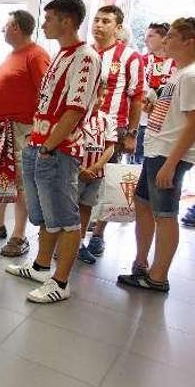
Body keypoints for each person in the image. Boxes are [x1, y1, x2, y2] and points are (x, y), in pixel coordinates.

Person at [5, 0, 101, 304]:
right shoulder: (61, 54)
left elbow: (74, 109)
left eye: (49, 19)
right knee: (45, 214)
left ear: (68, 21)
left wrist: (49, 145)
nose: (43, 24)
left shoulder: (86, 57)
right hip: (39, 144)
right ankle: (41, 266)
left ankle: (60, 283)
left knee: (66, 217)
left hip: (57, 150)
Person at [118, 17, 195, 292]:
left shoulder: (190, 75)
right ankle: (143, 263)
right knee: (143, 203)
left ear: (189, 41)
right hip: (156, 150)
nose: (165, 40)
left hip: (168, 155)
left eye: (172, 36)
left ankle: (158, 276)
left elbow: (193, 125)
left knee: (165, 213)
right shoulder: (180, 73)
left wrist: (171, 164)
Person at [0, 10, 50, 258]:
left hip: (21, 130)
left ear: (16, 28)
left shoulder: (36, 55)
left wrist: (36, 130)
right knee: (2, 178)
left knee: (20, 183)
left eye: (5, 25)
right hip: (2, 129)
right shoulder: (14, 54)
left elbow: (45, 94)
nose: (2, 30)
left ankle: (19, 235)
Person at [83, 6, 144, 260]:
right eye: (96, 20)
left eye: (105, 21)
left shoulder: (130, 57)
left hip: (114, 130)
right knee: (79, 183)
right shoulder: (84, 53)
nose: (99, 25)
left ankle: (97, 234)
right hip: (83, 127)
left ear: (118, 28)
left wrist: (131, 134)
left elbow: (137, 97)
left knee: (104, 184)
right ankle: (72, 237)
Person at [77, 81, 116, 264]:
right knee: (69, 208)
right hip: (75, 173)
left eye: (103, 96)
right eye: (97, 96)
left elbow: (110, 147)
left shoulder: (106, 119)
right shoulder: (76, 118)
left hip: (95, 175)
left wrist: (96, 167)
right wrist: (80, 169)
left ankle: (79, 243)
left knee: (86, 207)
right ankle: (60, 243)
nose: (100, 100)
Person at [134, 23, 175, 164]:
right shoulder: (141, 60)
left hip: (166, 126)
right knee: (136, 165)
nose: (146, 40)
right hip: (141, 122)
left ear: (164, 38)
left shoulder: (176, 63)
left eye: (151, 36)